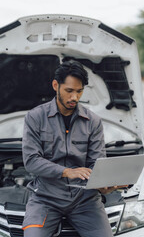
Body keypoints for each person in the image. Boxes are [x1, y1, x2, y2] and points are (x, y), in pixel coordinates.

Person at [22, 61, 115, 237]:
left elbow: (97, 163)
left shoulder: (93, 121)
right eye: (69, 91)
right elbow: (32, 161)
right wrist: (66, 171)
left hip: (85, 200)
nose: (74, 97)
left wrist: (104, 184)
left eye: (79, 91)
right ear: (55, 85)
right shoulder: (35, 117)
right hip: (45, 199)